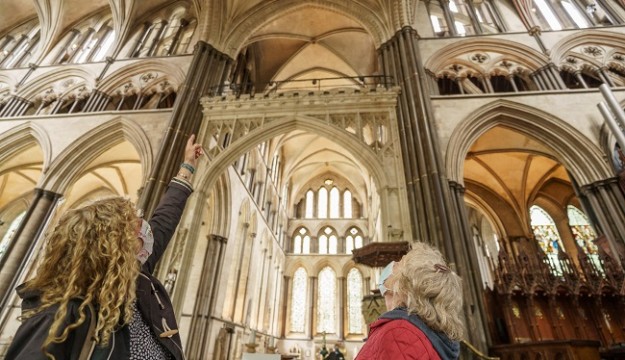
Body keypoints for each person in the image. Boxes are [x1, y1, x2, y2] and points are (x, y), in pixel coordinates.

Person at [5, 134, 203, 360]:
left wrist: (187, 166)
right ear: (110, 247)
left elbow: (164, 220)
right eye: (134, 225)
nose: (144, 229)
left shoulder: (133, 280)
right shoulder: (57, 315)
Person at [356, 242, 464, 360]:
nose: (395, 263)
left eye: (400, 263)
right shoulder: (431, 334)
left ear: (405, 286)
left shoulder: (398, 333)